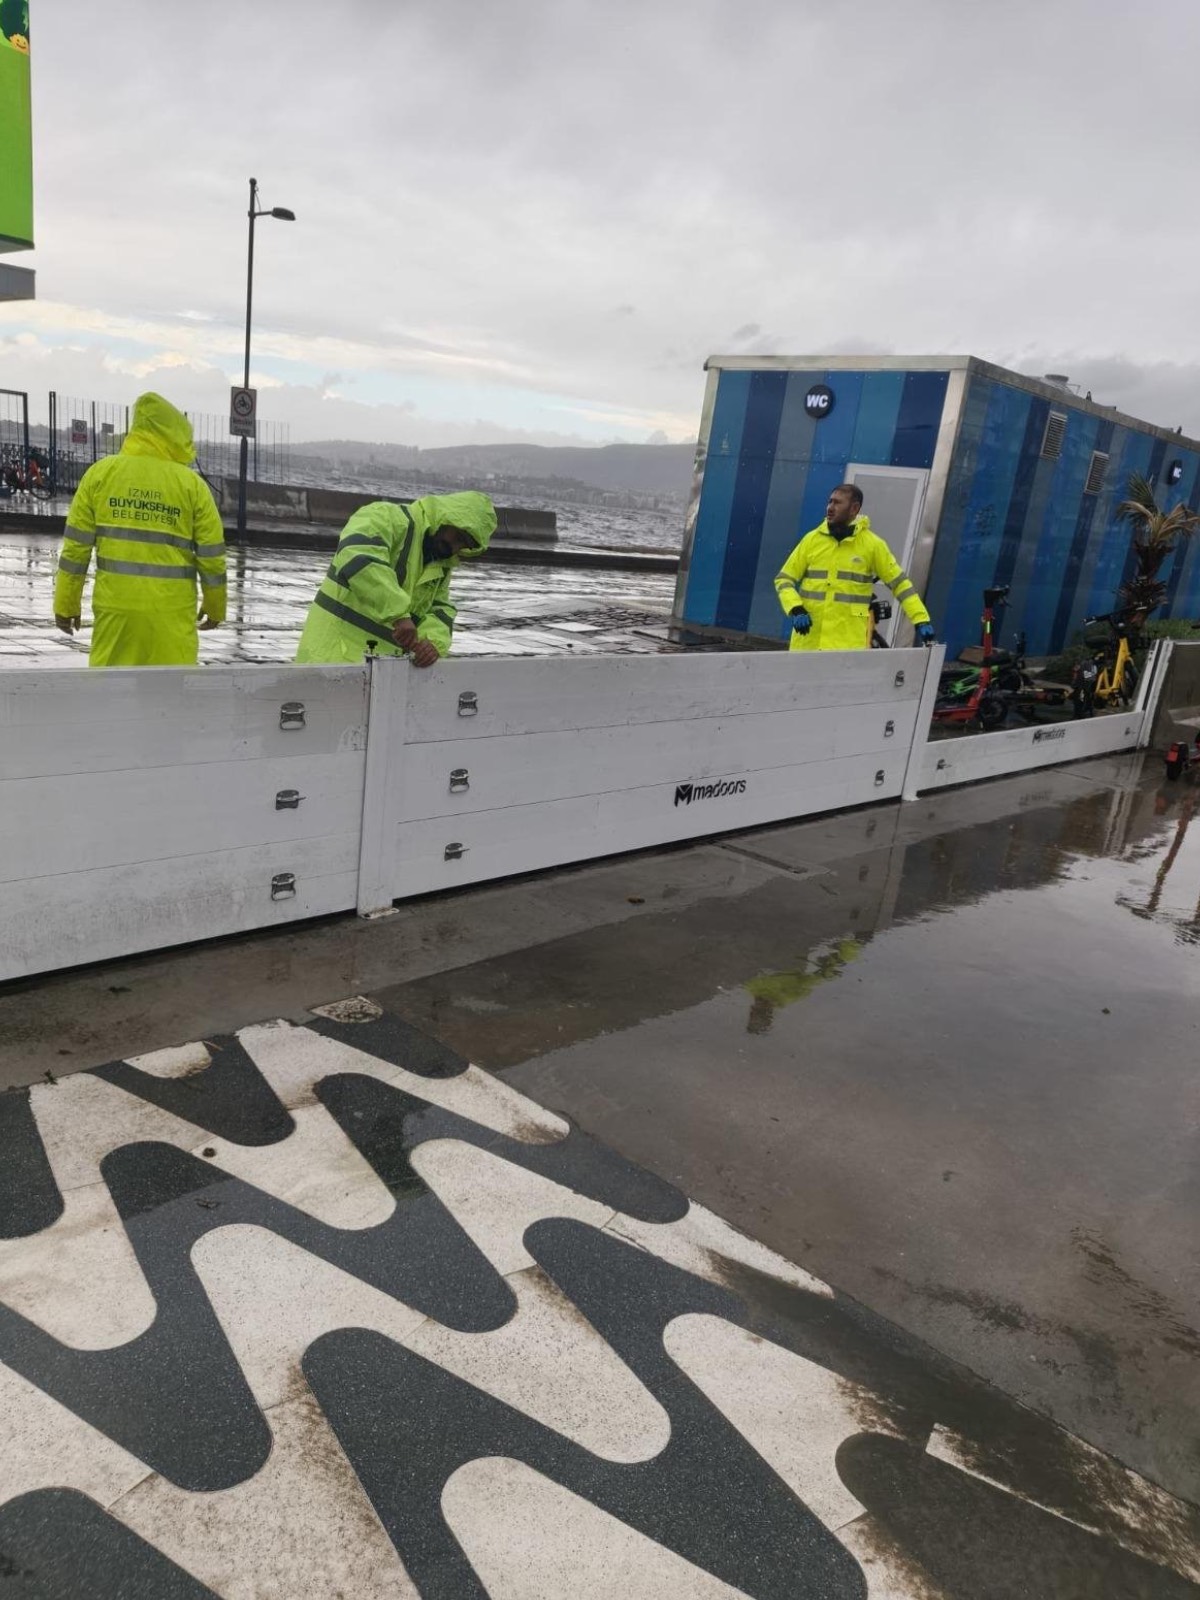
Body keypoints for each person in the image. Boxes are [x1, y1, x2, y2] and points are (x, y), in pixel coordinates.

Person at [53, 392, 226, 667]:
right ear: (176, 433)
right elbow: (212, 558)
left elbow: (75, 552)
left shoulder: (99, 475)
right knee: (170, 690)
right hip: (172, 613)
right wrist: (216, 605)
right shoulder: (192, 486)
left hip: (115, 611)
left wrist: (66, 603)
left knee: (111, 689)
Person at [295, 490, 496, 665]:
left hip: (383, 672)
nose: (455, 548)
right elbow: (359, 557)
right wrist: (399, 615)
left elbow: (441, 608)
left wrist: (433, 642)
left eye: (465, 545)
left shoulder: (441, 564)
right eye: (458, 537)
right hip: (330, 657)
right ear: (446, 518)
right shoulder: (385, 516)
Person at [774, 482, 936, 651]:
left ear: (854, 508)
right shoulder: (811, 540)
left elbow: (900, 585)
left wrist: (921, 619)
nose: (830, 508)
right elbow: (784, 580)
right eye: (830, 501)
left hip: (847, 646)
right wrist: (796, 608)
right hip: (808, 643)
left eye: (837, 503)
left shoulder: (872, 545)